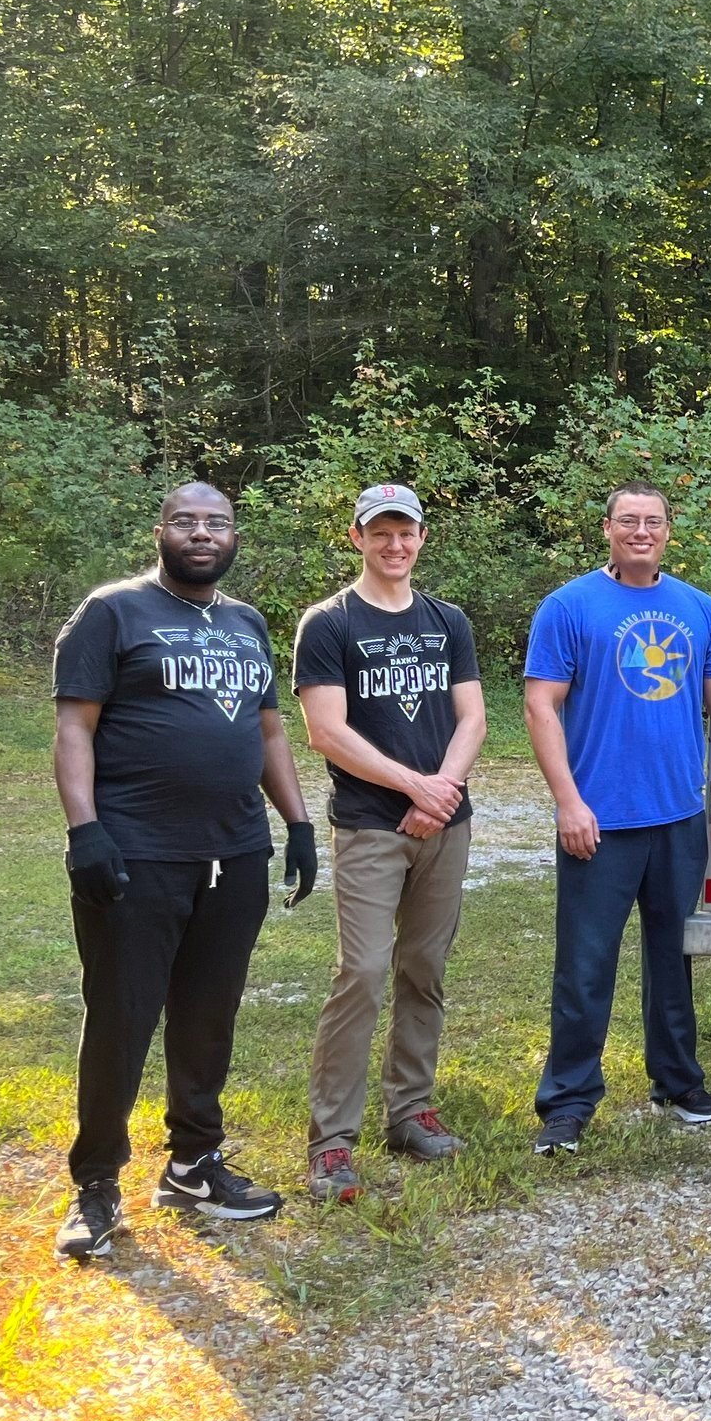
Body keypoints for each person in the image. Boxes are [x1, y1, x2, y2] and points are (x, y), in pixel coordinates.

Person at [49, 481, 319, 1258]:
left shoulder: (244, 622)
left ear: (234, 535)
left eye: (217, 521)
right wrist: (87, 830)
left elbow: (269, 733)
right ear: (161, 530)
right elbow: (75, 727)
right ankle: (96, 1183)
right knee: (122, 1017)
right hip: (136, 852)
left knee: (208, 1015)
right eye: (187, 520)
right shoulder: (112, 612)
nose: (203, 532)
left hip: (233, 853)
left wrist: (296, 823)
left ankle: (194, 1163)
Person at [523, 482, 711, 1155]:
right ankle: (567, 1102)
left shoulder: (697, 609)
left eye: (652, 521)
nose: (641, 530)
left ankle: (678, 1082)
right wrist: (568, 799)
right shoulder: (569, 607)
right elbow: (541, 706)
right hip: (600, 819)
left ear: (669, 531)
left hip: (679, 815)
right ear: (607, 529)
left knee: (673, 958)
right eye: (628, 520)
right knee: (586, 965)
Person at [293, 483, 487, 1204]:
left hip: (445, 823)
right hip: (372, 825)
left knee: (424, 966)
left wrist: (441, 792)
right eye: (381, 533)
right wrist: (415, 787)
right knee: (364, 972)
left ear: (423, 537)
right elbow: (326, 731)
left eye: (406, 532)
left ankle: (410, 1111)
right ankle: (332, 1142)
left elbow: (472, 717)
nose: (395, 545)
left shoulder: (447, 621)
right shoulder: (329, 623)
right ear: (357, 538)